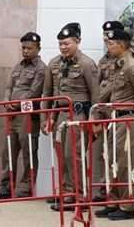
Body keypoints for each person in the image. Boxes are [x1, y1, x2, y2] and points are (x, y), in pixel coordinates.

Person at [42, 22, 99, 211]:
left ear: (77, 41)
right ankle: (67, 193)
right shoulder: (54, 64)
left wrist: (95, 120)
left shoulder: (86, 64)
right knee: (62, 156)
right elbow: (48, 94)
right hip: (60, 116)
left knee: (74, 155)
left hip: (78, 116)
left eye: (67, 43)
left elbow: (96, 95)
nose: (63, 47)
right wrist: (47, 118)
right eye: (60, 44)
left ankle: (80, 196)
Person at [93, 29, 134, 221]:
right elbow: (107, 92)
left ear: (121, 45)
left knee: (125, 163)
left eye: (111, 44)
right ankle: (113, 202)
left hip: (127, 120)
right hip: (114, 119)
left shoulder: (132, 67)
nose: (108, 47)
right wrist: (97, 112)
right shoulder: (117, 65)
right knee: (112, 161)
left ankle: (127, 206)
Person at [0, 32, 46, 199]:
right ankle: (6, 186)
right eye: (23, 48)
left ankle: (25, 188)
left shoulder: (41, 68)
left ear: (38, 48)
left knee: (28, 152)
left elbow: (34, 91)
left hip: (27, 116)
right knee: (8, 151)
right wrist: (6, 99)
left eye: (29, 48)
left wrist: (17, 103)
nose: (25, 51)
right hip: (12, 114)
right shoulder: (18, 66)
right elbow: (9, 86)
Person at [92, 20, 125, 202]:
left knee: (125, 156)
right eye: (105, 35)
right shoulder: (103, 61)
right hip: (105, 113)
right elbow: (98, 89)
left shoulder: (130, 60)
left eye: (110, 35)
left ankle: (129, 194)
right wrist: (96, 116)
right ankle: (103, 191)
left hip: (123, 113)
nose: (106, 38)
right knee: (102, 153)